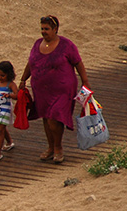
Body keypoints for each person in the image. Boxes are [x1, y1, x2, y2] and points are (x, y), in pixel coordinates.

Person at [18, 15, 91, 164]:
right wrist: (23, 79)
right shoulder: (37, 44)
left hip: (62, 89)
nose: (43, 32)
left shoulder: (66, 45)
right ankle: (50, 147)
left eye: (47, 29)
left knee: (54, 117)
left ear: (55, 29)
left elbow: (78, 63)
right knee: (46, 117)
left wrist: (85, 81)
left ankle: (58, 148)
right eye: (42, 29)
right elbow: (30, 63)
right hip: (41, 89)